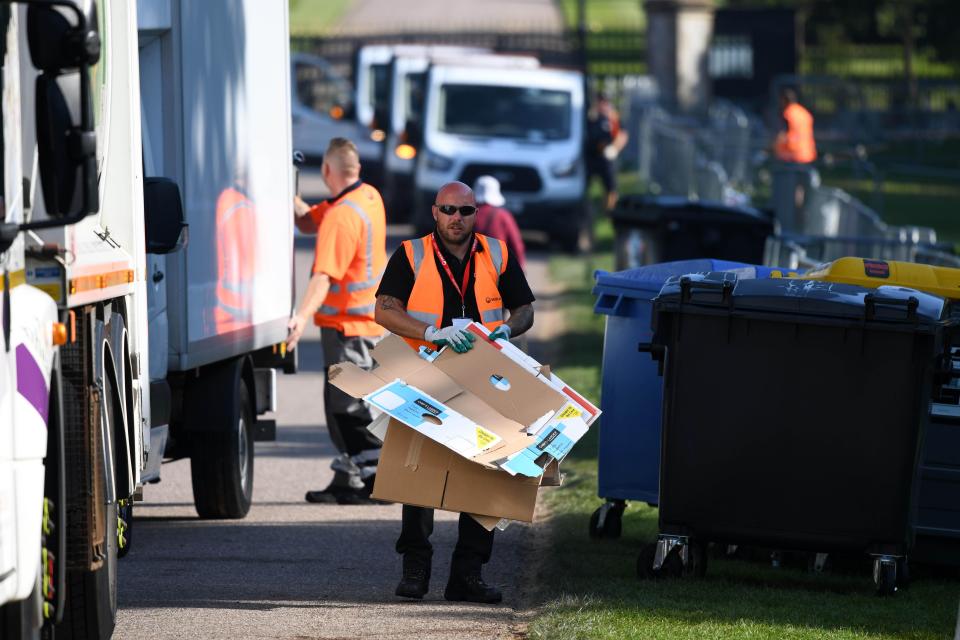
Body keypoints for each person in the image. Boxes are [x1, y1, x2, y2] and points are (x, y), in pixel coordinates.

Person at [374, 181, 535, 604]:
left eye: (464, 211)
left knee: (484, 474)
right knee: (417, 476)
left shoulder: (496, 253)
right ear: (435, 212)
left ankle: (467, 575)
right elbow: (384, 309)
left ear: (476, 213)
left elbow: (525, 310)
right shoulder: (412, 253)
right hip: (424, 375)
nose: (456, 218)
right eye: (448, 210)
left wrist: (505, 328)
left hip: (483, 377)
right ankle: (415, 570)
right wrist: (431, 333)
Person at [286, 137, 387, 505]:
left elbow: (323, 275)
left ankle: (378, 479)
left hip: (348, 327)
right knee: (341, 402)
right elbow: (308, 219)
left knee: (347, 407)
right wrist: (285, 185)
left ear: (327, 171)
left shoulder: (342, 216)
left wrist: (300, 317)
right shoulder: (367, 198)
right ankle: (347, 477)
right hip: (362, 324)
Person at [586, 92, 629, 212]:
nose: (602, 104)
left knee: (611, 187)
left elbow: (622, 135)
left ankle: (609, 212)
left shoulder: (613, 117)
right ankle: (586, 210)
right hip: (590, 156)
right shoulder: (590, 116)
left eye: (605, 101)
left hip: (606, 157)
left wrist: (614, 148)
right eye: (600, 101)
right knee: (584, 186)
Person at [473, 175, 526, 270]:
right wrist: (520, 267)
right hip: (496, 268)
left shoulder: (465, 215)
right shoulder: (503, 216)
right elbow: (516, 245)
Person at [773, 87, 817, 165]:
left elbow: (783, 135)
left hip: (792, 154)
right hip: (807, 153)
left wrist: (774, 147)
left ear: (784, 100)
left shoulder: (788, 113)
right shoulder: (804, 113)